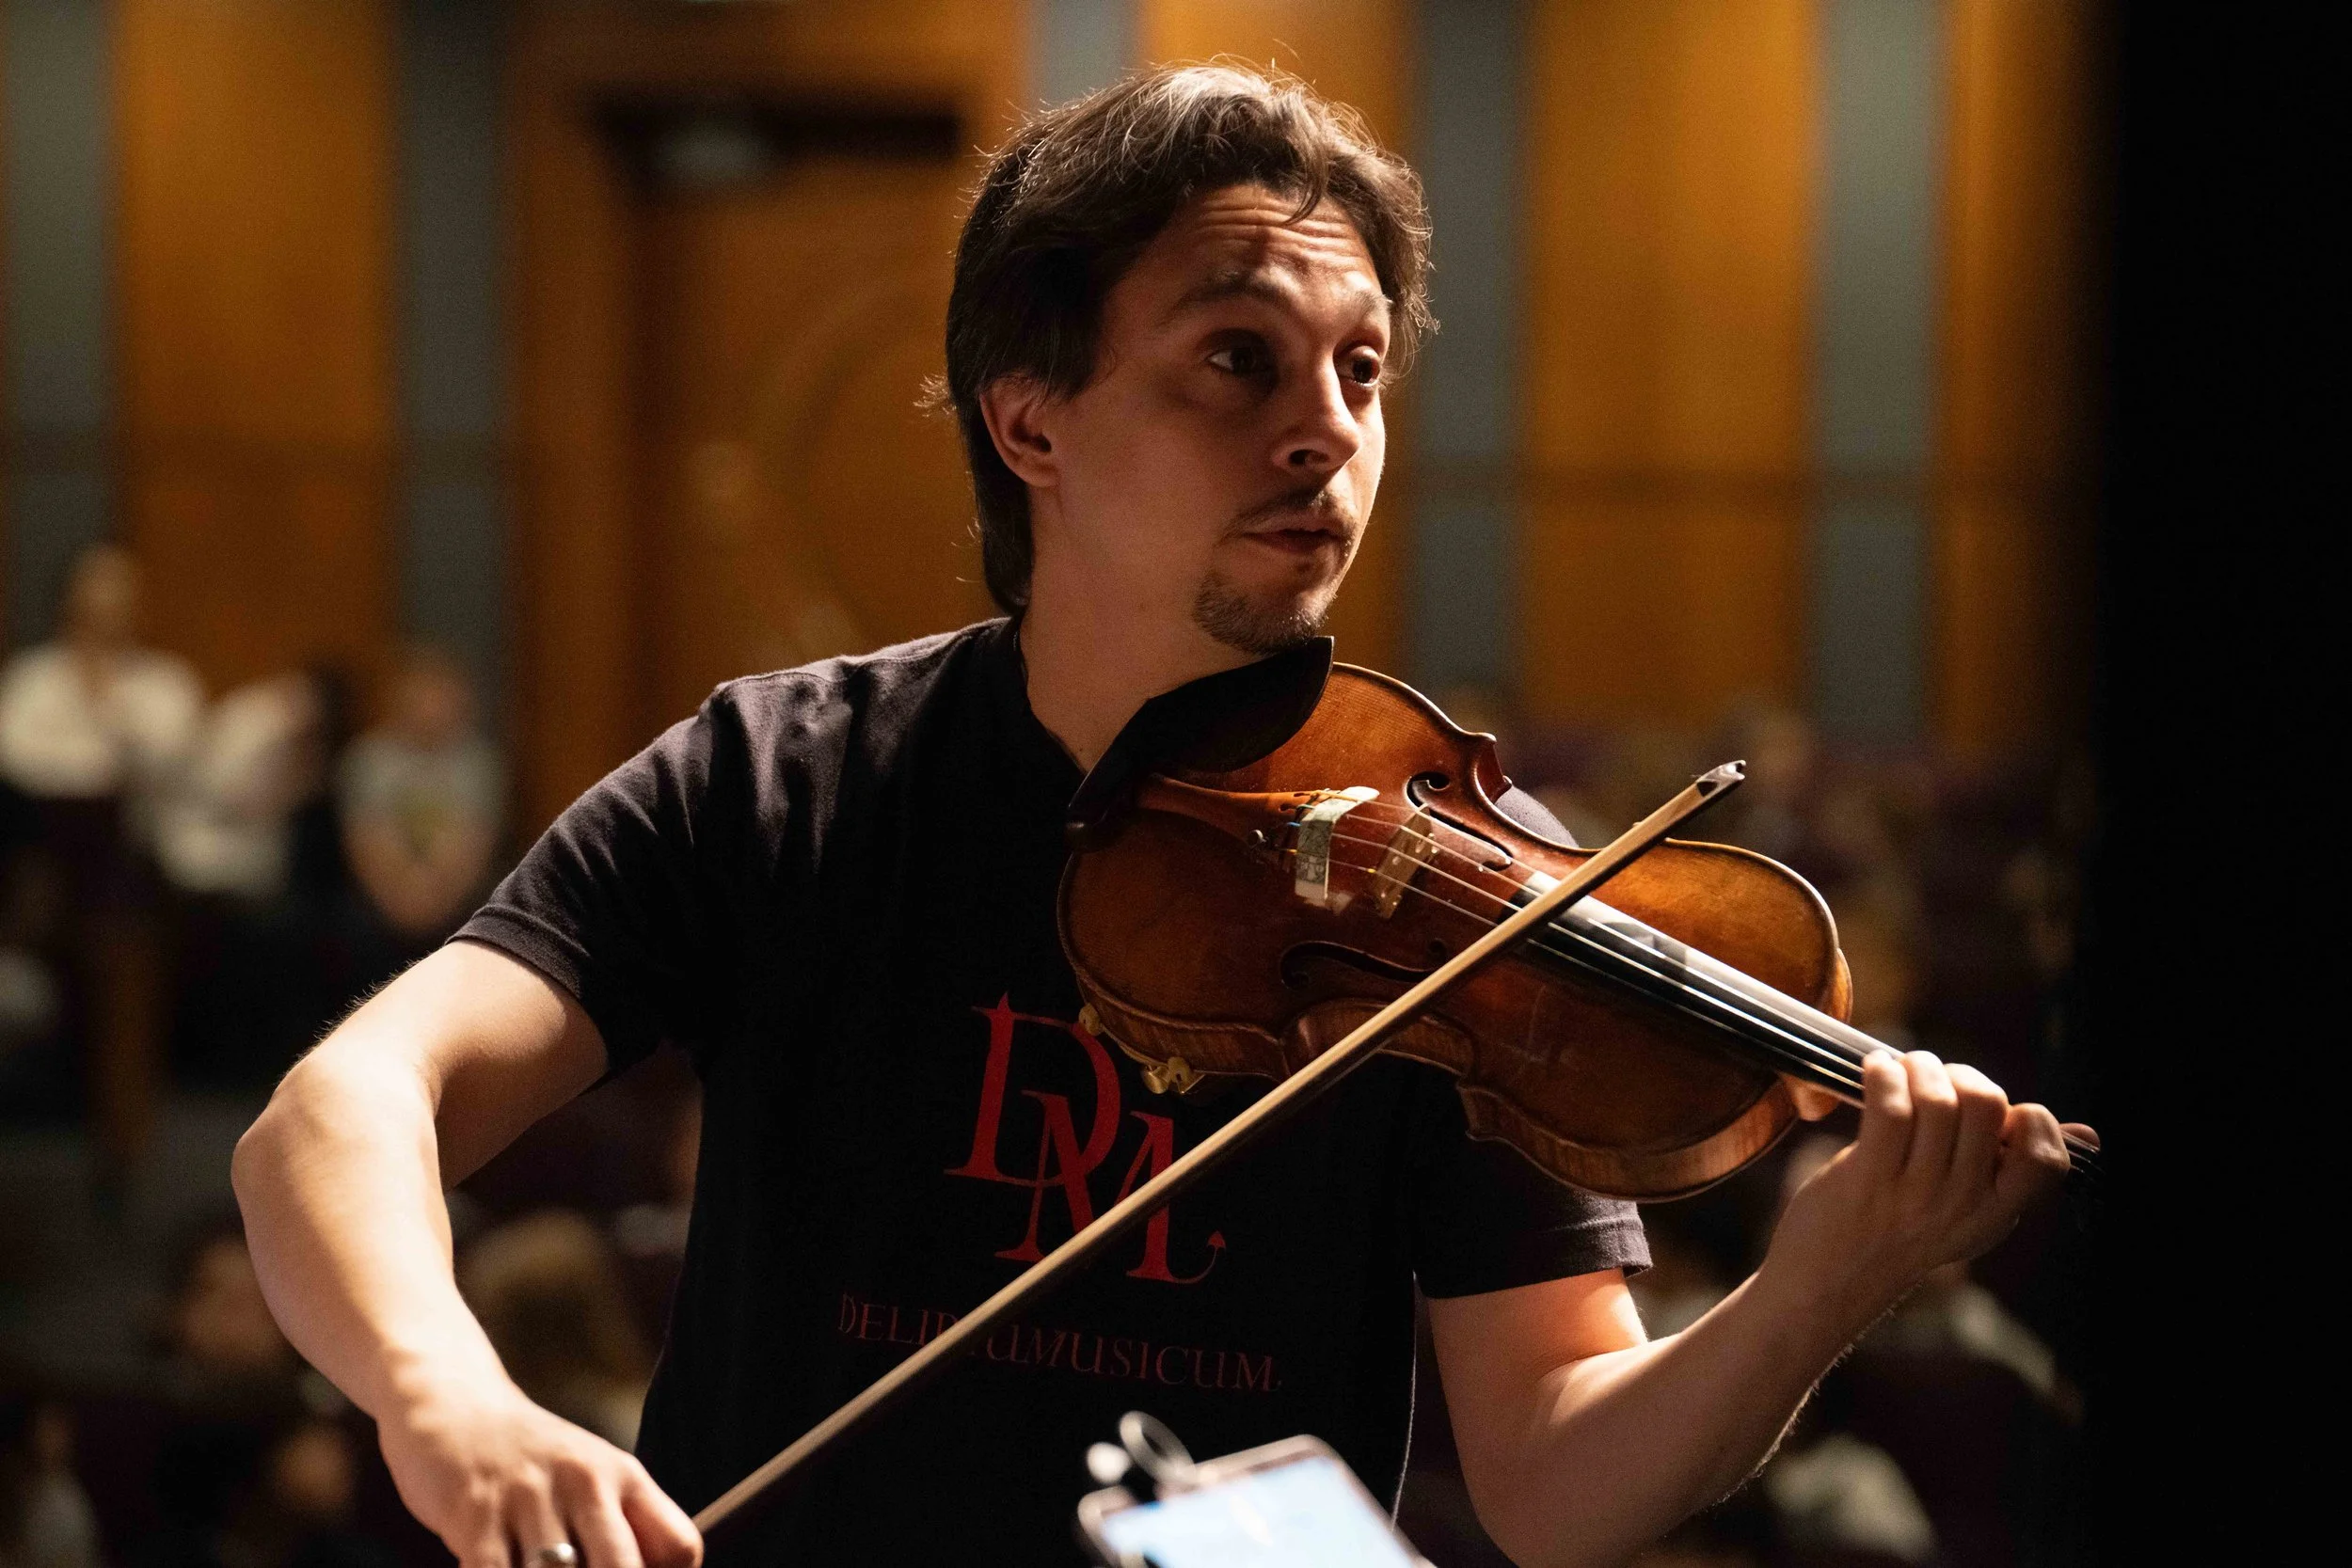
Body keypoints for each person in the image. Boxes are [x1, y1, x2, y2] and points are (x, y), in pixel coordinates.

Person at [231, 67, 2089, 1568]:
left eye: (1360, 367)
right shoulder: (784, 778)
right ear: (1025, 416)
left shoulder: (1474, 882)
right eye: (1238, 356)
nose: (1325, 430)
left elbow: (1545, 1473)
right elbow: (343, 1108)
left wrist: (1820, 1279)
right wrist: (442, 1393)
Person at [337, 648, 502, 955]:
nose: (430, 708)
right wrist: (402, 897)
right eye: (422, 697)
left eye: (439, 697)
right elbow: (367, 843)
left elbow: (471, 846)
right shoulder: (369, 760)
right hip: (381, 901)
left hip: (455, 901)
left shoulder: (478, 765)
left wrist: (432, 897)